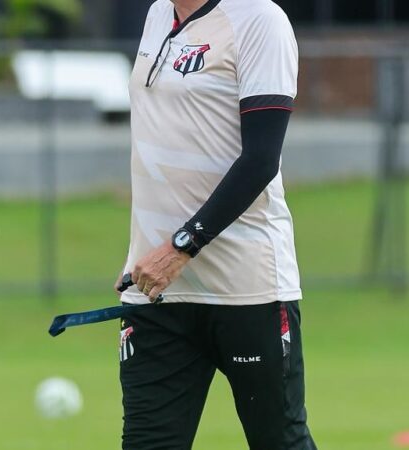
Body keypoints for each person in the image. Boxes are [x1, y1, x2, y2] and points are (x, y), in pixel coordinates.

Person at [116, 0, 317, 448]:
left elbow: (260, 161)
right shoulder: (155, 16)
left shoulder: (259, 20)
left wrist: (180, 247)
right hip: (158, 294)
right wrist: (144, 250)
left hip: (248, 288)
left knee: (279, 440)